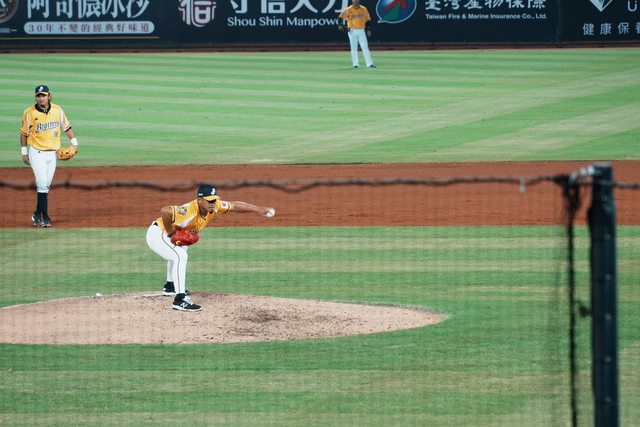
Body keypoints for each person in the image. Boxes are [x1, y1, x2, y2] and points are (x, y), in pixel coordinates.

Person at [146, 184, 276, 312]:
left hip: (164, 234)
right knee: (180, 256)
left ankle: (171, 286)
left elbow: (234, 205)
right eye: (209, 201)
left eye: (214, 200)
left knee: (181, 249)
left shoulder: (214, 206)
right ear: (199, 200)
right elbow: (165, 211)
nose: (212, 203)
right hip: (157, 234)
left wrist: (258, 209)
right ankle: (180, 300)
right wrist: (171, 234)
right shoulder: (188, 210)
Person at [20, 84, 79, 227]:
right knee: (41, 183)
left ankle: (36, 214)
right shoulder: (29, 112)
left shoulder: (58, 110)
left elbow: (67, 127)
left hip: (52, 154)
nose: (41, 98)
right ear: (36, 97)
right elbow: (23, 133)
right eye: (39, 96)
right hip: (37, 153)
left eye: (44, 95)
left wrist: (75, 144)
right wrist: (24, 153)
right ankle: (44, 218)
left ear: (49, 96)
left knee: (46, 185)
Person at [338, 0, 376, 69]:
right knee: (354, 48)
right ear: (352, 1)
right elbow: (340, 17)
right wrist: (340, 25)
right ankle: (355, 64)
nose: (356, 1)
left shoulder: (364, 9)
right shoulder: (348, 9)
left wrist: (368, 29)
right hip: (352, 30)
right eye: (354, 0)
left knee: (365, 47)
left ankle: (369, 64)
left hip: (361, 30)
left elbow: (368, 20)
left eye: (357, 0)